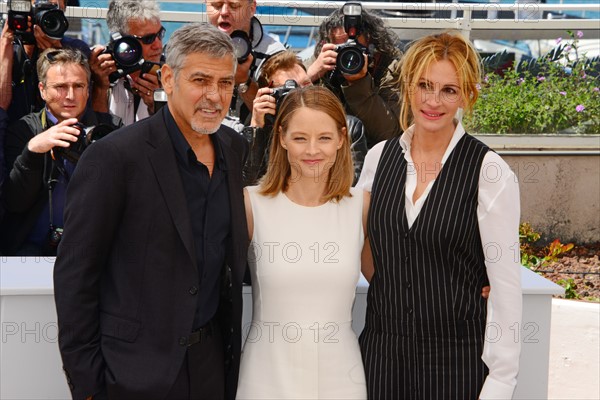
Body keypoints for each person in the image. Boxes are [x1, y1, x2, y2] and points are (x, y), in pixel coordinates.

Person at [53, 23, 248, 400]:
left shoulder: (234, 148)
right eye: (201, 80)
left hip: (211, 367)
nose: (215, 96)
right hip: (130, 373)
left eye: (226, 83)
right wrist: (89, 385)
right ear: (169, 78)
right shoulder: (114, 157)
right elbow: (76, 275)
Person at [357, 31, 522, 399]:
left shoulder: (489, 171)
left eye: (449, 90)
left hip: (457, 363)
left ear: (466, 94)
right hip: (381, 358)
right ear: (407, 87)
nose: (433, 101)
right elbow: (365, 249)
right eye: (424, 86)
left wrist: (500, 382)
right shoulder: (376, 159)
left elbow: (507, 291)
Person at [236, 85, 367, 399]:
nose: (312, 150)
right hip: (265, 379)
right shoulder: (251, 205)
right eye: (299, 138)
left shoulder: (361, 207)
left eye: (324, 137)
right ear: (281, 138)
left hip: (341, 380)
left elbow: (399, 280)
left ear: (341, 139)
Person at [0, 48, 121, 256]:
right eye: (61, 87)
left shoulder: (111, 129)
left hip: (94, 253)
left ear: (88, 90)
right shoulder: (24, 131)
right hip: (30, 253)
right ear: (42, 90)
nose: (71, 96)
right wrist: (33, 151)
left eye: (79, 86)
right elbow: (14, 202)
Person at [243, 50, 368, 185]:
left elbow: (351, 183)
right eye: (290, 90)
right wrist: (256, 126)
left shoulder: (348, 128)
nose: (302, 94)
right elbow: (248, 185)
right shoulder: (264, 133)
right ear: (270, 96)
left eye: (306, 84)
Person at [305, 3, 402, 147]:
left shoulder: (390, 67)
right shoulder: (321, 62)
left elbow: (389, 134)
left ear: (370, 41)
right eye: (341, 48)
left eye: (355, 47)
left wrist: (359, 84)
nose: (348, 55)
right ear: (327, 44)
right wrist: (309, 76)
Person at [4, 0, 91, 125]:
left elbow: (82, 108)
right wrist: (7, 41)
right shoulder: (9, 48)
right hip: (13, 133)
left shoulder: (76, 49)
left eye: (55, 10)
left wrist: (57, 56)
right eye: (39, 9)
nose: (46, 17)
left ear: (64, 11)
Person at [204, 0, 285, 121]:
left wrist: (243, 80)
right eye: (217, 5)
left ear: (251, 9)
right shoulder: (190, 49)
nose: (224, 12)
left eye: (234, 6)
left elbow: (278, 119)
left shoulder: (274, 55)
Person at [90, 0, 164, 125]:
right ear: (122, 42)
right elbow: (96, 132)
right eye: (148, 39)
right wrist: (100, 88)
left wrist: (157, 104)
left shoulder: (172, 75)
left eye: (160, 34)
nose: (158, 45)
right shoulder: (97, 68)